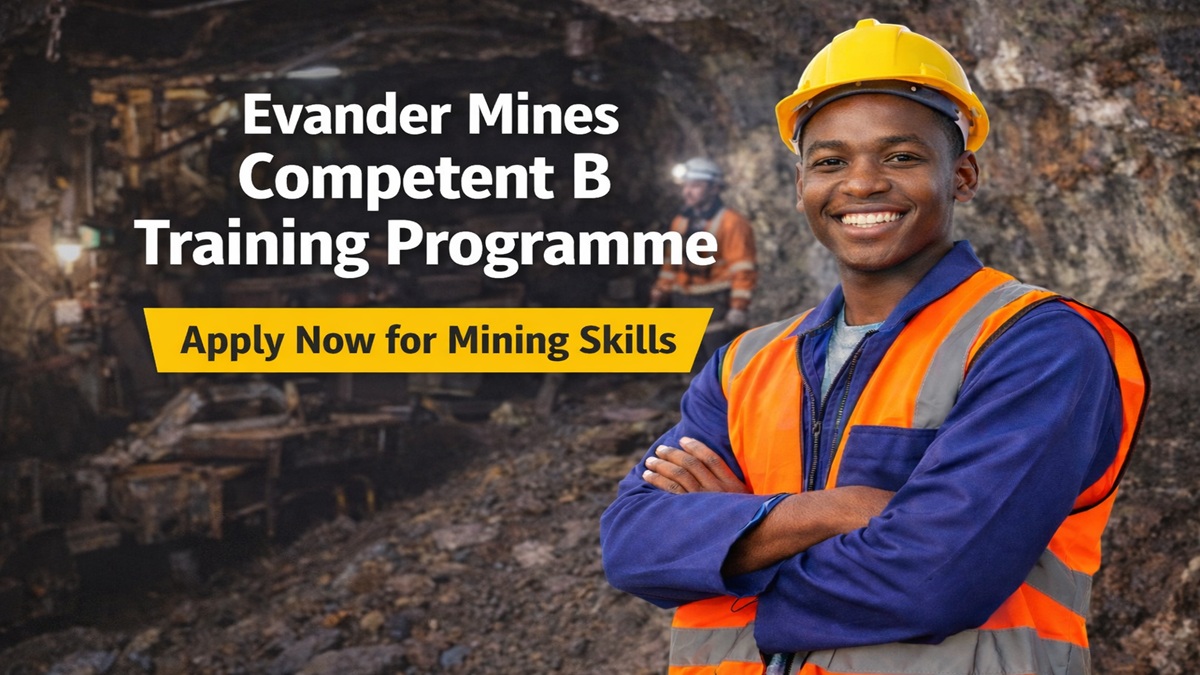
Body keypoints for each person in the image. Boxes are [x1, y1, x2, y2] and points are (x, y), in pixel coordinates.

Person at [601, 18, 1148, 675]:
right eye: (830, 161)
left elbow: (933, 577)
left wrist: (725, 553)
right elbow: (631, 544)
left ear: (963, 176)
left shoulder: (1037, 345)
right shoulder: (746, 363)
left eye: (901, 156)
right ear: (801, 184)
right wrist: (833, 511)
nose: (861, 184)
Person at [651, 157, 757, 372]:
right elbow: (672, 263)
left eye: (696, 186)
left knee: (720, 367)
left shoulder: (731, 222)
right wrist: (661, 291)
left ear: (715, 188)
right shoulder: (680, 222)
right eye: (686, 186)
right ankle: (690, 404)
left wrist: (738, 307)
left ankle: (725, 405)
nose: (687, 192)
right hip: (683, 301)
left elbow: (742, 268)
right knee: (691, 366)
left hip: (715, 304)